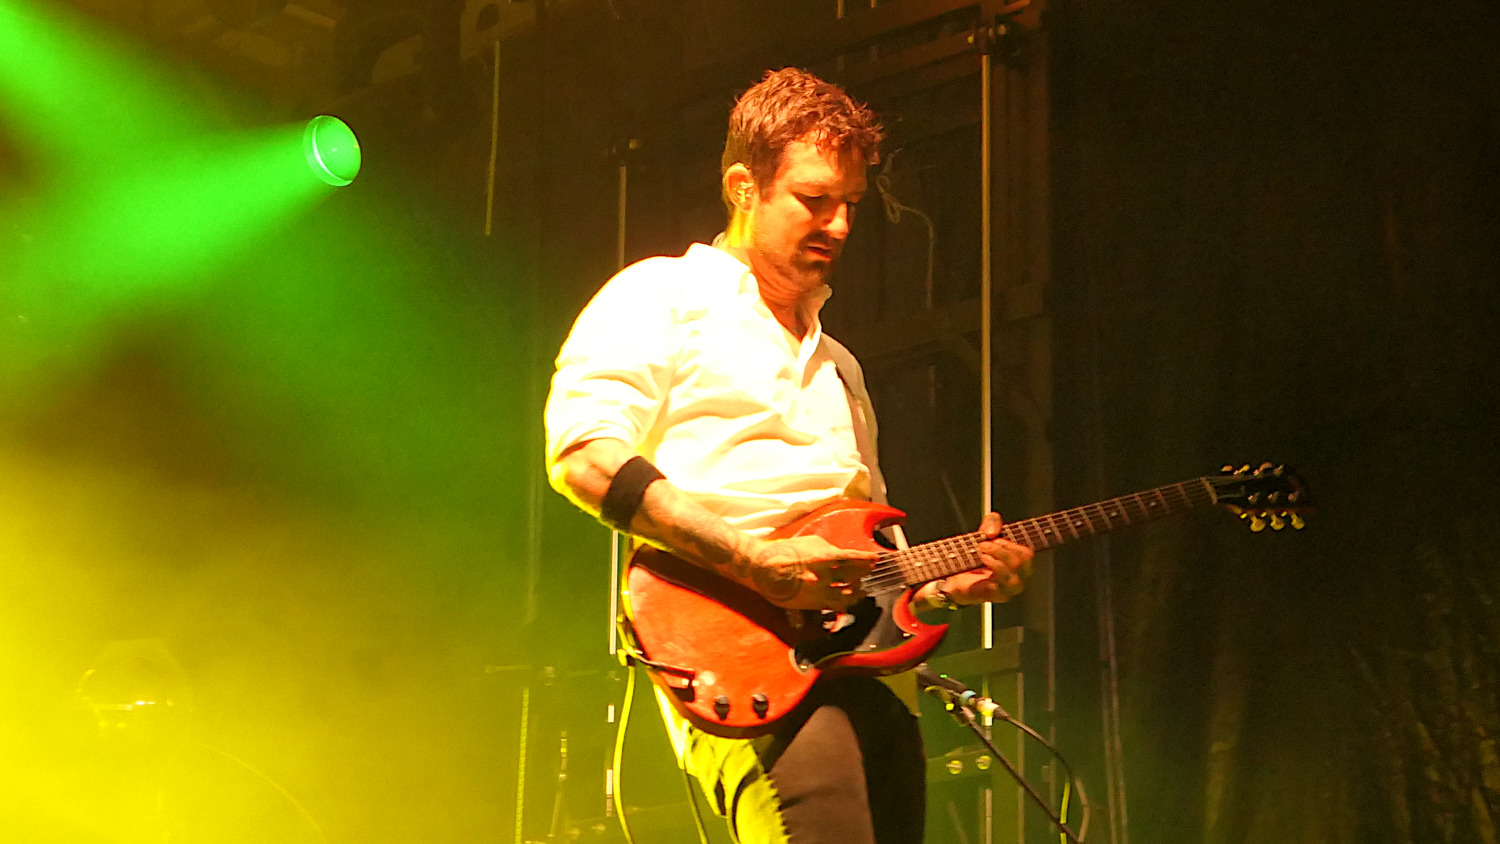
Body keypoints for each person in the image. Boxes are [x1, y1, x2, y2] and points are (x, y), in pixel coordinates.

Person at [544, 67, 1034, 844]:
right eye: (814, 200)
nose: (839, 225)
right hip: (739, 658)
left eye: (851, 205)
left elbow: (865, 569)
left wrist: (944, 589)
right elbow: (584, 459)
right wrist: (753, 562)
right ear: (744, 187)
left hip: (868, 678)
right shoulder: (662, 297)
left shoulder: (841, 364)